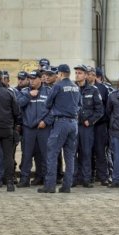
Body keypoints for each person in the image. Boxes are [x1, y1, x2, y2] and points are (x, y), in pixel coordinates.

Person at [38, 64, 81, 193]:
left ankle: (50, 185)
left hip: (60, 123)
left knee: (52, 153)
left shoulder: (58, 86)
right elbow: (80, 105)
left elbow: (47, 103)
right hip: (73, 123)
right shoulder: (75, 87)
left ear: (61, 74)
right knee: (70, 156)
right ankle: (67, 185)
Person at [16, 70, 53, 187]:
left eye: (34, 78)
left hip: (44, 128)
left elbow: (54, 109)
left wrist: (46, 121)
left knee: (45, 155)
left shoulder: (49, 91)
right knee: (26, 155)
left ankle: (46, 179)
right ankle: (24, 179)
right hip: (28, 128)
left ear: (40, 79)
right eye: (30, 79)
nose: (31, 81)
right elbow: (17, 105)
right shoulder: (24, 91)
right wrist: (29, 95)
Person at [72, 65, 103, 188]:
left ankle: (86, 179)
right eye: (76, 73)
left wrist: (90, 121)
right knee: (72, 153)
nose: (77, 75)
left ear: (86, 75)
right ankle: (73, 178)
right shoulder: (72, 88)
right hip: (73, 126)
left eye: (80, 73)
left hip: (86, 128)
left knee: (86, 153)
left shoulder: (93, 90)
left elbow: (100, 110)